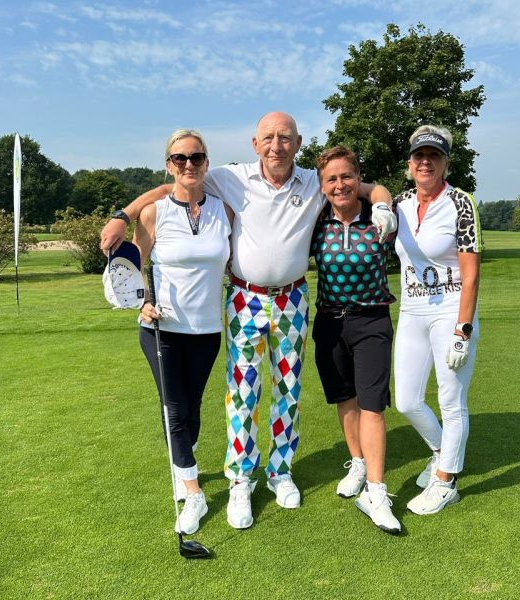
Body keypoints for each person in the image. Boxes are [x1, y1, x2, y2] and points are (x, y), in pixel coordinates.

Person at [100, 112, 397, 529]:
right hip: (244, 298)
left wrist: (382, 203)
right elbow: (174, 186)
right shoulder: (231, 177)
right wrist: (123, 214)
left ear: (298, 144)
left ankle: (280, 471)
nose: (277, 145)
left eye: (285, 137)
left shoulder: (313, 181)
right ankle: (241, 478)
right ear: (255, 144)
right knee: (243, 392)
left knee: (288, 390)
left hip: (292, 298)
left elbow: (367, 187)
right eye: (268, 138)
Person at [134, 129, 232, 535]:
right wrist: (141, 302)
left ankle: (182, 464)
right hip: (163, 329)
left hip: (207, 330)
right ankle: (193, 492)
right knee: (174, 408)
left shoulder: (224, 211)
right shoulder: (154, 213)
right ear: (169, 165)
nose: (188, 164)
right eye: (180, 158)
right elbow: (131, 267)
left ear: (206, 163)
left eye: (196, 157)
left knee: (191, 409)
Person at [393, 125, 482, 515]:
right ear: (410, 163)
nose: (425, 162)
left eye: (434, 156)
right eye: (419, 156)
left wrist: (464, 329)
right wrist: (379, 206)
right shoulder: (399, 202)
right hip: (412, 311)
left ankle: (446, 482)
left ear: (446, 163)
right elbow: (366, 191)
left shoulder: (460, 202)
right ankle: (440, 452)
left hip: (450, 311)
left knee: (451, 400)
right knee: (406, 401)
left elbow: (471, 274)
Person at [311, 145, 400, 534]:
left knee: (372, 405)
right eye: (331, 179)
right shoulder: (317, 219)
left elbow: (379, 191)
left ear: (358, 178)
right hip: (330, 323)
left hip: (371, 321)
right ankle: (358, 464)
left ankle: (376, 492)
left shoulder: (379, 217)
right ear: (322, 185)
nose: (340, 184)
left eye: (347, 176)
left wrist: (380, 200)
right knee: (344, 398)